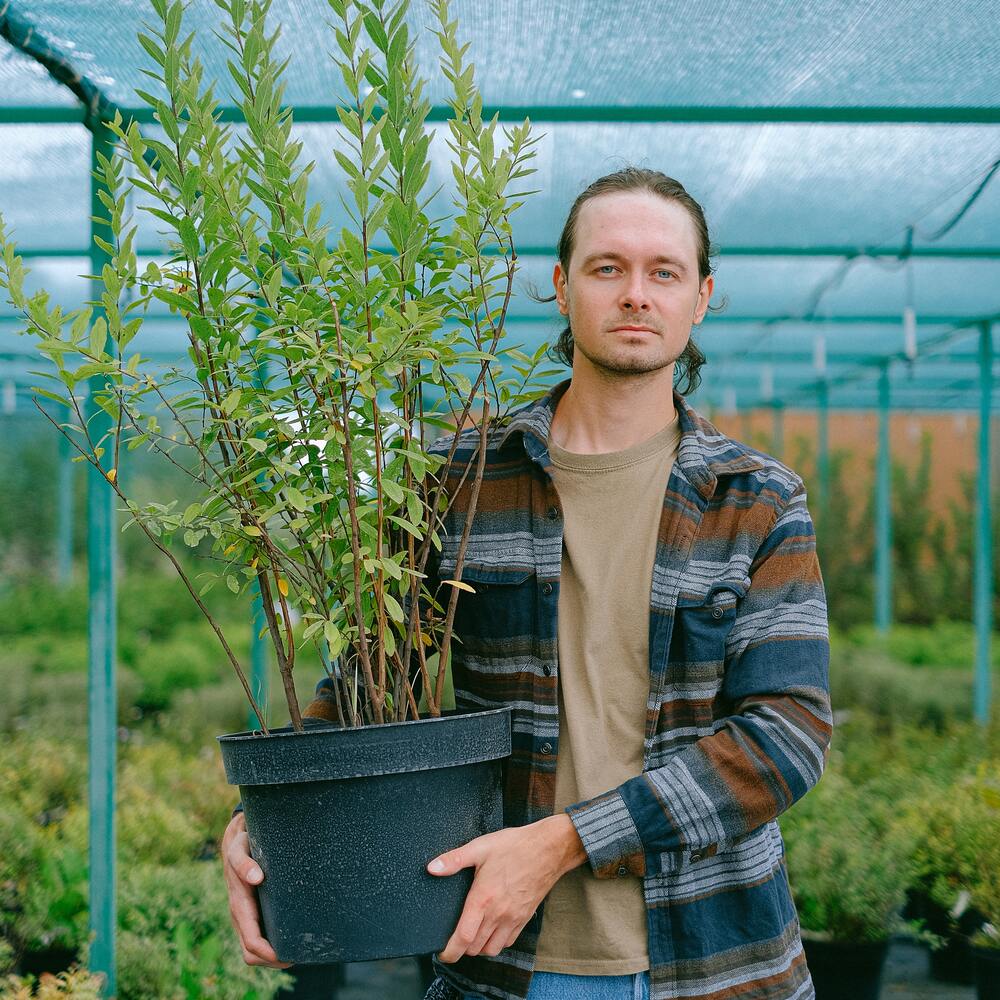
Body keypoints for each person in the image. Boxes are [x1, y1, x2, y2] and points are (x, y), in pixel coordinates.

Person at [222, 167, 833, 1000]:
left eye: (664, 272)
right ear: (560, 285)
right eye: (606, 267)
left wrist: (566, 840)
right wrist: (267, 825)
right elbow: (373, 678)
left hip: (717, 960)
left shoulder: (756, 501)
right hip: (499, 961)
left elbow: (786, 733)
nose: (636, 295)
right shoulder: (461, 483)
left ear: (701, 298)